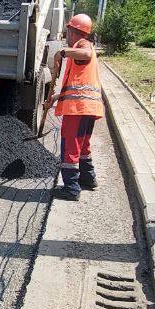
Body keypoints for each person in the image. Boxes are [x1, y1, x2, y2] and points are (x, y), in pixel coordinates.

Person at [52, 12, 103, 201]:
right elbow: (77, 85)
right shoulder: (81, 47)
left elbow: (86, 54)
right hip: (89, 108)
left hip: (79, 110)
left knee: (70, 146)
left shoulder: (83, 45)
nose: (67, 34)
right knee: (82, 145)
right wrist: (57, 97)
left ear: (73, 30)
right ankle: (88, 180)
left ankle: (71, 188)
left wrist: (62, 52)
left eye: (68, 30)